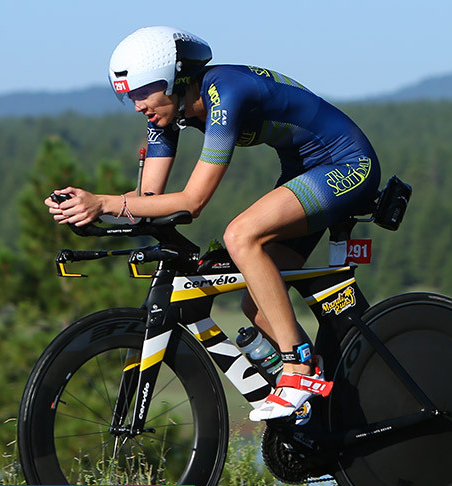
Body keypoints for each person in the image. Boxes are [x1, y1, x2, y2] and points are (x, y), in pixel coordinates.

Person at [45, 26, 382, 421]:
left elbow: (193, 201)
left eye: (142, 92)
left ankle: (299, 368)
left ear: (175, 78)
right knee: (256, 306)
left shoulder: (226, 91)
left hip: (346, 165)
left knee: (241, 235)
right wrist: (90, 208)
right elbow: (147, 201)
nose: (137, 105)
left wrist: (105, 201)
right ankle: (331, 406)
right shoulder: (168, 112)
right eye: (128, 96)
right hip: (301, 170)